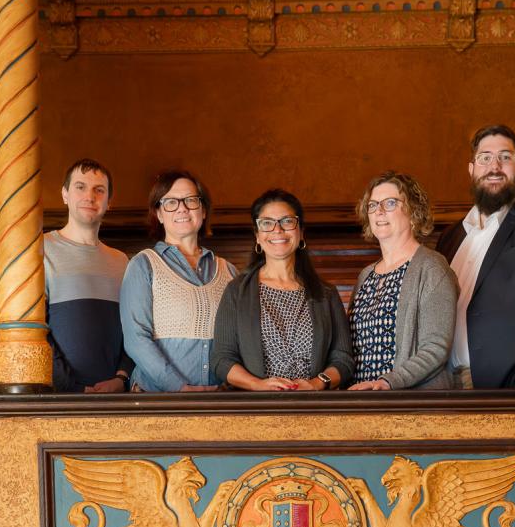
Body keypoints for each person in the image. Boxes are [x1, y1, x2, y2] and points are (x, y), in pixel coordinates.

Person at [211, 189, 354, 392]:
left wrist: (316, 384)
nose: (277, 230)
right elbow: (222, 359)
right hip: (255, 411)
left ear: (301, 231)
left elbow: (343, 358)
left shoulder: (326, 293)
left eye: (287, 221)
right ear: (257, 236)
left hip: (314, 409)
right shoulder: (237, 291)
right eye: (267, 223)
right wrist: (257, 385)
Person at [436, 124, 515, 389]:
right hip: (443, 386)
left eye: (505, 157)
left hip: (507, 387)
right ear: (471, 169)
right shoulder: (450, 238)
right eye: (485, 158)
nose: (495, 167)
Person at [120, 169, 237, 392]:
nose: (182, 208)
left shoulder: (229, 271)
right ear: (159, 214)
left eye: (191, 200)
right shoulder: (143, 265)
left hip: (217, 401)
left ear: (203, 211)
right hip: (157, 400)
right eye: (171, 202)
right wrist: (179, 388)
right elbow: (136, 339)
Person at [348, 172, 458, 391]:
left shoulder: (432, 267)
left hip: (410, 403)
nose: (378, 211)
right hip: (363, 402)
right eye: (372, 205)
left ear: (413, 212)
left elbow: (436, 348)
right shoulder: (366, 275)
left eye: (390, 203)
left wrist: (388, 382)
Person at [44, 158, 133, 393]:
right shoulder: (40, 250)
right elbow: (35, 331)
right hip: (59, 396)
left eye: (99, 190)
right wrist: (71, 387)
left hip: (114, 397)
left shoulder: (122, 261)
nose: (90, 196)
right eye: (80, 187)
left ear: (109, 201)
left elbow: (133, 330)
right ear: (65, 194)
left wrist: (121, 379)